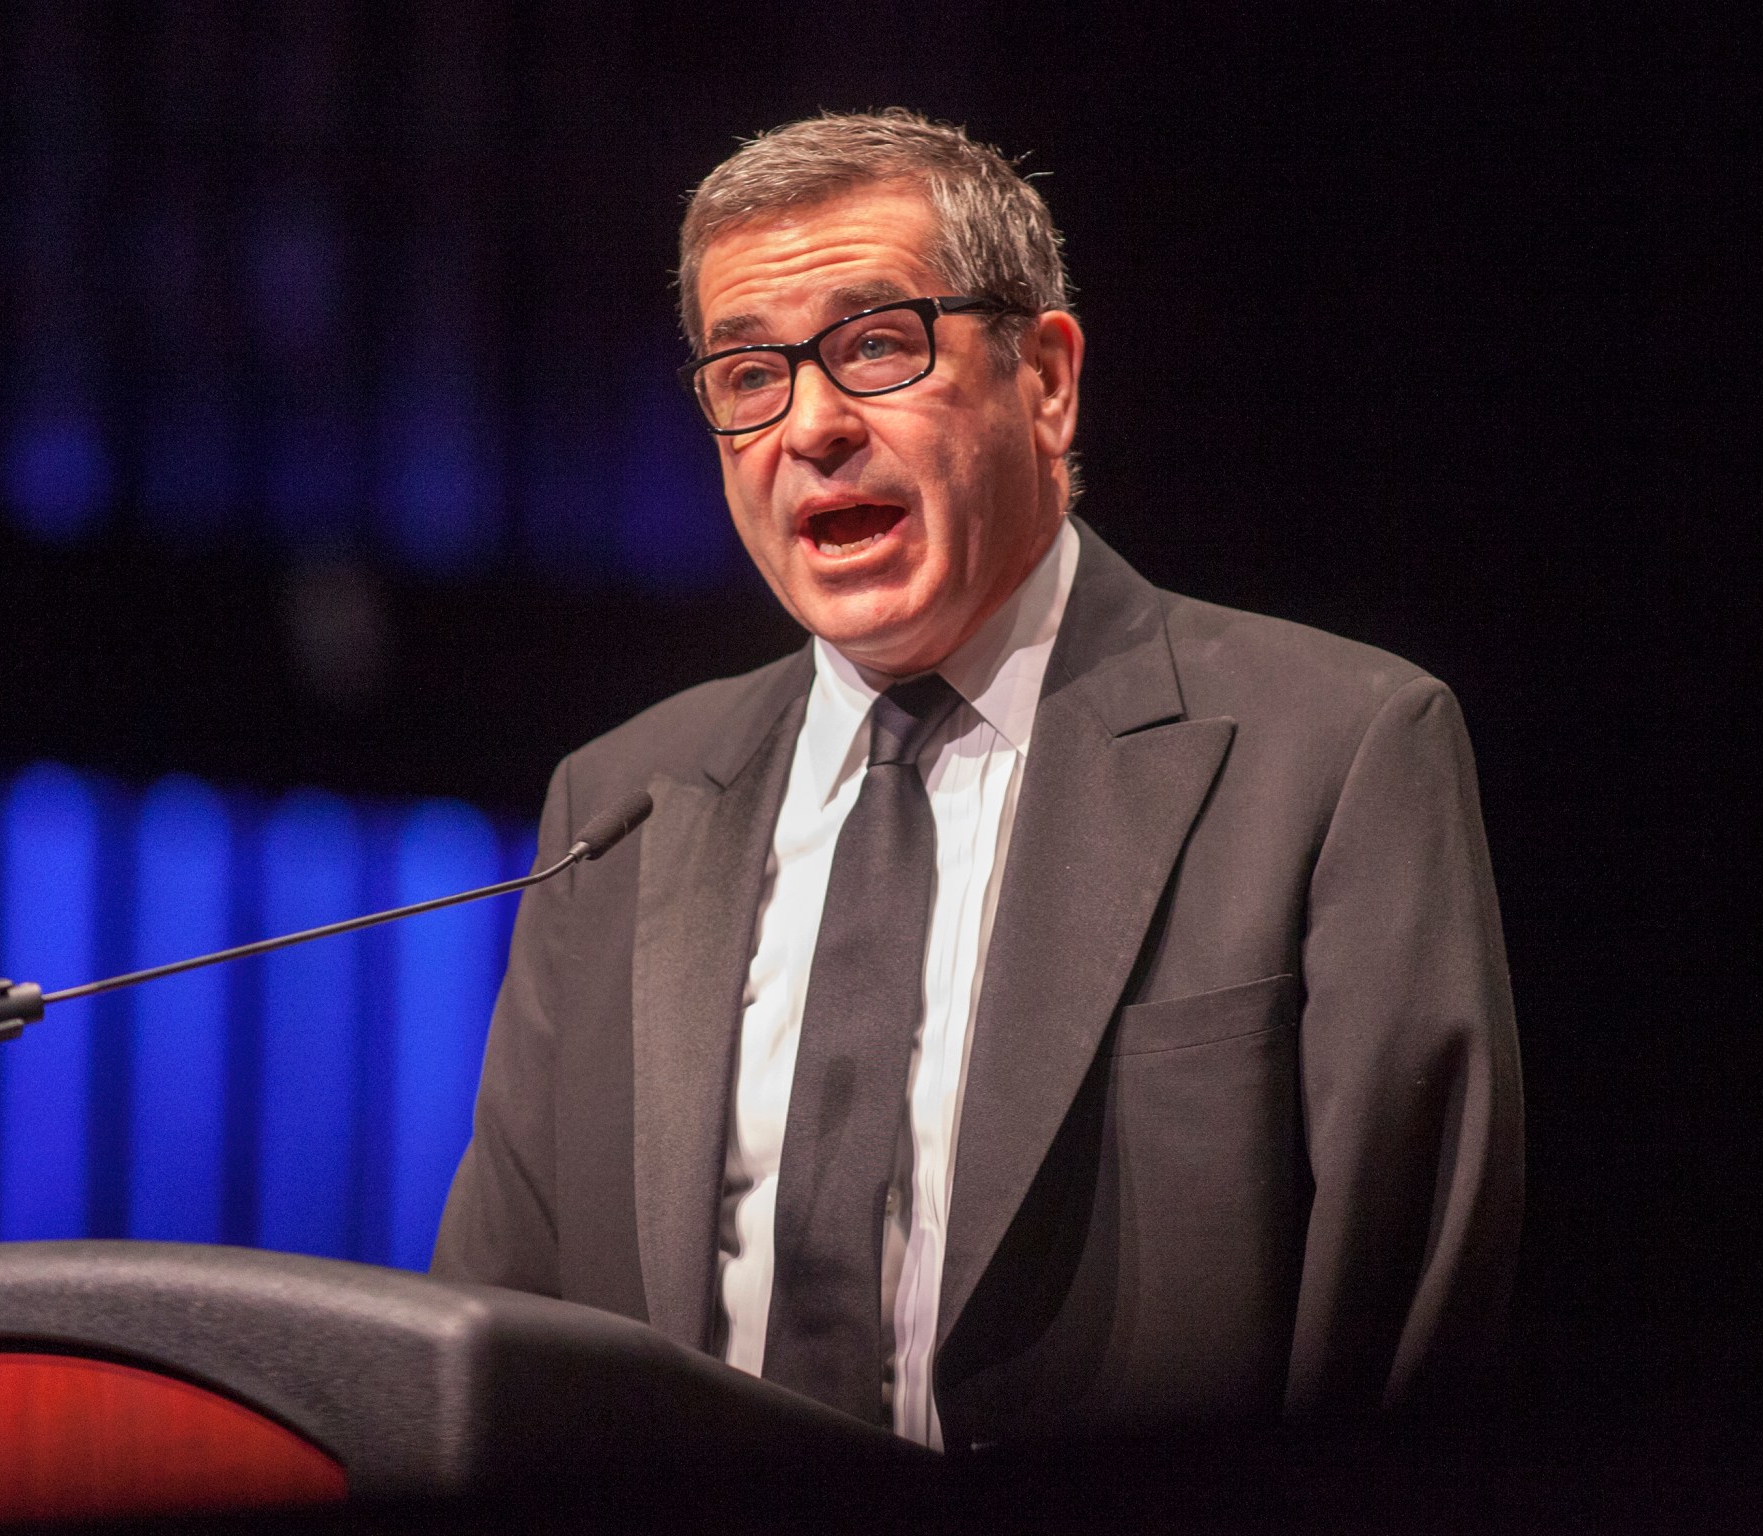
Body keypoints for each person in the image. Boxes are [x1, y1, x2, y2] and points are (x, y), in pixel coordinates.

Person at [433, 109, 1522, 1453]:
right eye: (747, 374)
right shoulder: (619, 803)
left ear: (1046, 379)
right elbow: (489, 1343)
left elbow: (1409, 1342)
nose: (811, 426)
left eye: (877, 345)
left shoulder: (1338, 753)